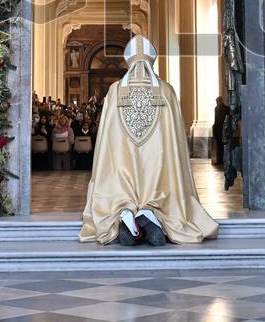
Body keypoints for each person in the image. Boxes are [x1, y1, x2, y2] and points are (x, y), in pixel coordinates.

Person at [80, 35, 218, 246]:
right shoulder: (166, 90)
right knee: (163, 179)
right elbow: (175, 139)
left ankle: (126, 212)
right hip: (158, 163)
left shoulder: (115, 90)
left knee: (118, 179)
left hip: (122, 163)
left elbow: (107, 137)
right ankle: (151, 212)